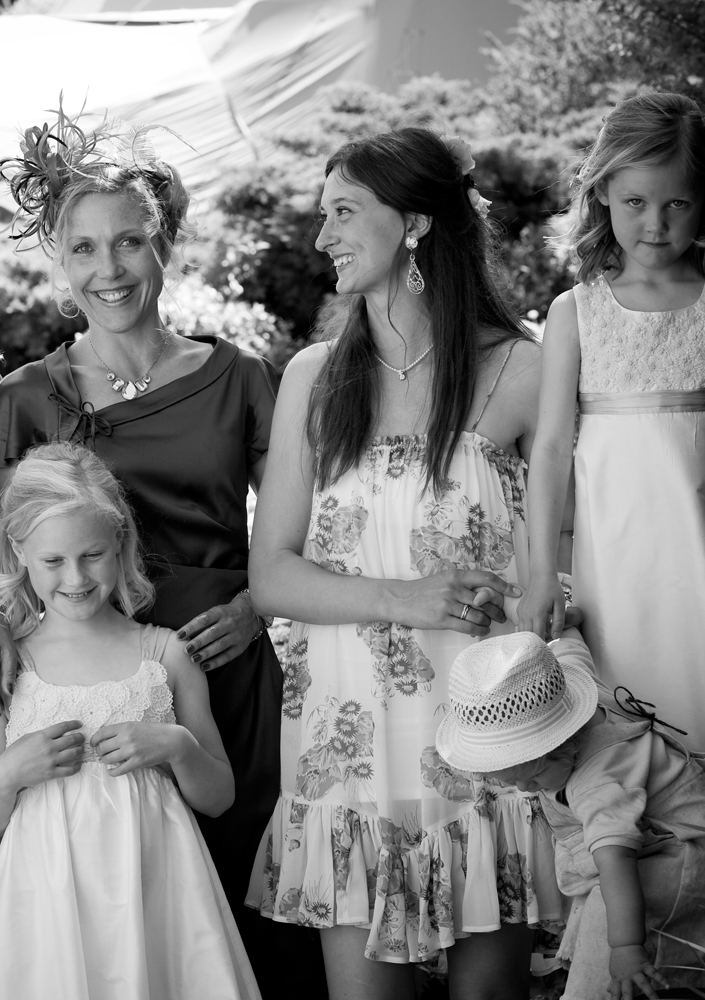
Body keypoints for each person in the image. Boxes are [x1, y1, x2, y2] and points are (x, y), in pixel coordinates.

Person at [244, 128, 573, 1000]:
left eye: (344, 212)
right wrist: (406, 597)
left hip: (487, 747)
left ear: (417, 223)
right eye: (323, 215)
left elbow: (564, 559)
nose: (323, 237)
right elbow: (271, 576)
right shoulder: (315, 378)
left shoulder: (522, 370)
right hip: (347, 758)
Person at [0, 105, 300, 991]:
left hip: (223, 672)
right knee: (107, 914)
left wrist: (256, 606)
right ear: (60, 261)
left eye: (129, 242)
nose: (110, 269)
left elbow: (308, 524)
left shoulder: (241, 377)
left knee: (246, 910)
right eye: (84, 249)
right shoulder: (23, 398)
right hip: (84, 681)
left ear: (164, 243)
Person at [517, 90, 705, 830]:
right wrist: (542, 573)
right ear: (603, 194)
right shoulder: (576, 312)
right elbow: (550, 448)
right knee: (636, 709)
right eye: (636, 202)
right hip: (620, 568)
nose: (655, 223)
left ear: (704, 201)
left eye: (676, 203)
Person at [0, 442, 260, 998]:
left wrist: (177, 746)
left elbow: (220, 797)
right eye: (52, 561)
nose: (75, 577)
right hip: (44, 904)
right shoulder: (11, 663)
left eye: (92, 554)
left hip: (157, 895)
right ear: (19, 551)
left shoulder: (166, 654)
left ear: (120, 542)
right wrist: (10, 773)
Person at [435, 629, 705, 1000]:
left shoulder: (596, 782)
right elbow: (570, 644)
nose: (524, 789)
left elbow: (617, 862)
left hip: (682, 856)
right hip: (660, 842)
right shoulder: (561, 689)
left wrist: (626, 947)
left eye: (533, 777)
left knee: (617, 972)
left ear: (563, 745)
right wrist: (566, 621)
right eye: (512, 780)